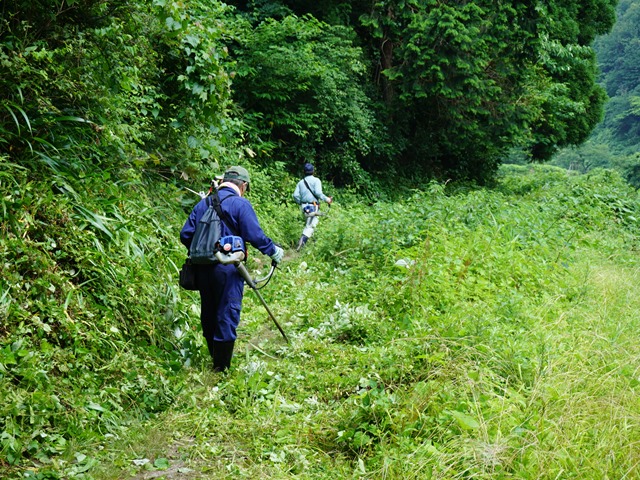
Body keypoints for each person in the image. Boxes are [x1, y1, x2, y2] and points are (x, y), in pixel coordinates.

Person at [180, 166, 284, 372]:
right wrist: (273, 251)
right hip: (228, 269)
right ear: (243, 186)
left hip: (201, 269)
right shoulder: (240, 204)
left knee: (209, 311)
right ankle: (221, 367)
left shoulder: (203, 204)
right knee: (227, 311)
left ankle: (214, 357)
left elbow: (185, 235)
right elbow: (254, 235)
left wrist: (204, 250)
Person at [293, 163, 333, 250]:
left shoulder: (300, 182)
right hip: (313, 206)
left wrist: (300, 203)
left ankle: (312, 241)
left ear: (304, 172)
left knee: (309, 224)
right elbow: (318, 193)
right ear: (313, 171)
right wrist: (327, 200)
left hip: (304, 206)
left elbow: (295, 195)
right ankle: (302, 243)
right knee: (311, 225)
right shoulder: (316, 181)